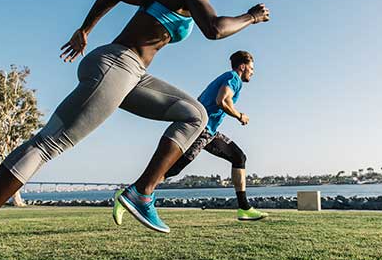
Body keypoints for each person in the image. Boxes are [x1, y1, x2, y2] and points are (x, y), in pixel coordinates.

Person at [0, 0, 270, 260]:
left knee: (194, 114)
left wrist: (86, 29)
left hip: (132, 74)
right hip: (118, 66)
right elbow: (214, 28)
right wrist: (252, 16)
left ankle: (142, 192)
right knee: (49, 144)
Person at [113, 50, 267, 224]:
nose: (252, 72)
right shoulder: (234, 78)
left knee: (238, 157)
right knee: (173, 169)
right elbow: (222, 101)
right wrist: (240, 116)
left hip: (209, 132)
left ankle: (244, 208)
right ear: (242, 66)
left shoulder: (227, 77)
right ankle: (131, 192)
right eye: (251, 69)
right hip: (201, 130)